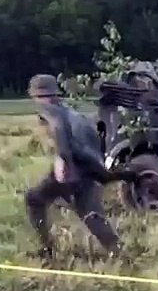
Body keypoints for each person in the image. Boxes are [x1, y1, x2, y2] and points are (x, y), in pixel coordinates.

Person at [25, 74, 123, 260]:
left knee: (34, 200)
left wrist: (63, 160)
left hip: (73, 165)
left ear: (41, 95)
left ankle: (48, 249)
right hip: (90, 166)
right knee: (89, 211)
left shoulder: (51, 111)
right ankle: (116, 248)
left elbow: (60, 132)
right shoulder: (74, 114)